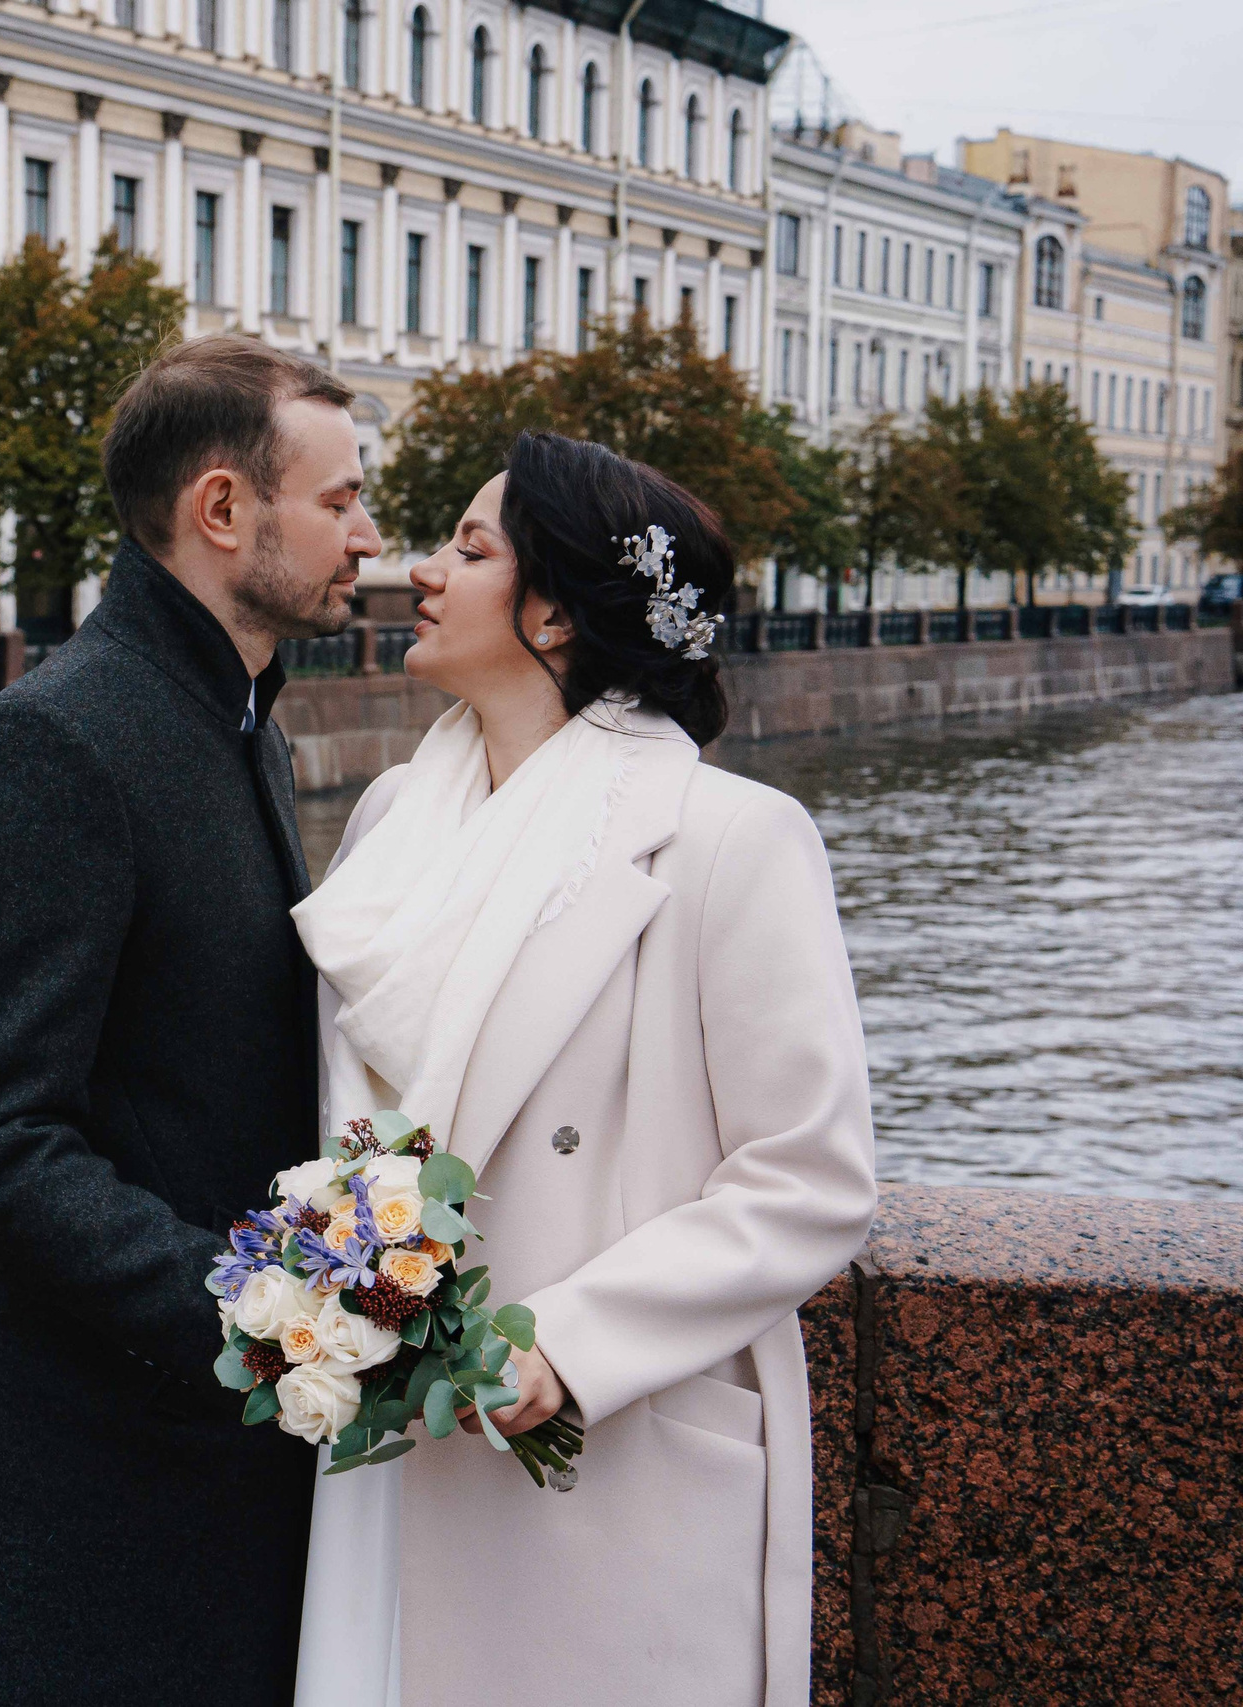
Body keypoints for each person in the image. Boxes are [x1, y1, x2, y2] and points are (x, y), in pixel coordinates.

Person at [290, 432, 878, 1706]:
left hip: (596, 1448)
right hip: (386, 1450)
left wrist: (563, 1347)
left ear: (553, 613)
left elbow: (808, 1177)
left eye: (470, 548)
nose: (418, 571)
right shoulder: (398, 812)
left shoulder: (731, 840)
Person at [0, 335, 382, 1707]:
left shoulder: (240, 720)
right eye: (341, 499)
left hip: (215, 1489)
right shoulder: (51, 745)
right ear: (224, 509)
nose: (371, 535)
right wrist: (264, 1316)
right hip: (101, 1530)